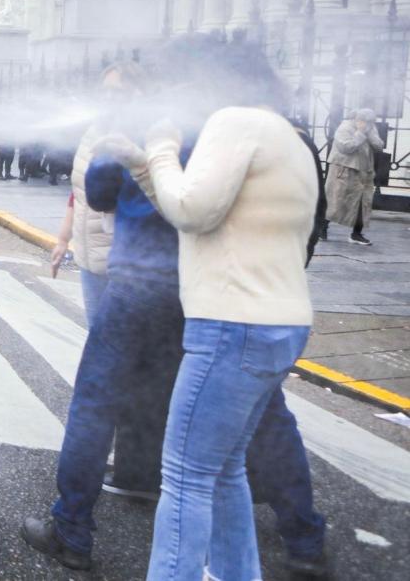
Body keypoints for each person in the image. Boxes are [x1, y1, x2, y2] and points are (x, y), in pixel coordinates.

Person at [101, 37, 319, 580]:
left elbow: (192, 210)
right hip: (277, 323)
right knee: (223, 472)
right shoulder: (282, 132)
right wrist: (143, 164)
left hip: (230, 323)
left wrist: (158, 148)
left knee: (184, 477)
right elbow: (196, 211)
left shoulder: (233, 121)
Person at [22, 61, 186, 571]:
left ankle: (72, 527)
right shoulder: (197, 129)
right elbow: (82, 195)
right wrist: (65, 238)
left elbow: (98, 191)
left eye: (117, 90)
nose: (107, 97)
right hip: (182, 285)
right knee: (169, 392)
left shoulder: (130, 135)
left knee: (94, 401)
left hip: (133, 279)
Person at [325, 108, 384, 246]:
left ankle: (356, 234)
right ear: (355, 119)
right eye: (364, 121)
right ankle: (323, 227)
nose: (367, 124)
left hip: (364, 171)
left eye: (370, 122)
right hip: (344, 170)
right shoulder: (345, 127)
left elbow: (379, 146)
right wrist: (360, 133)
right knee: (336, 201)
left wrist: (370, 134)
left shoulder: (370, 128)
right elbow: (347, 147)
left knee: (363, 203)